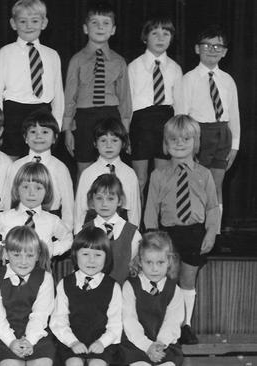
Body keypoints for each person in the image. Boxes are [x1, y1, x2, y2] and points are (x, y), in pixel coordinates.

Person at [144, 114, 219, 345]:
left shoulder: (204, 174)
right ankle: (164, 325)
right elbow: (151, 208)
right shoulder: (158, 175)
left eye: (186, 139)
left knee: (188, 280)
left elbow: (213, 207)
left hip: (195, 233)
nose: (179, 143)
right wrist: (152, 237)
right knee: (167, 280)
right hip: (167, 235)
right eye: (173, 139)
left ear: (195, 143)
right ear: (166, 144)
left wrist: (210, 233)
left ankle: (184, 325)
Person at [175, 24, 239, 225]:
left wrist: (235, 145)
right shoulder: (189, 79)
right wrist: (186, 145)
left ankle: (214, 230)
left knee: (216, 184)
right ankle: (196, 226)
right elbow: (181, 115)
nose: (213, 50)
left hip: (222, 133)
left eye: (218, 46)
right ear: (197, 49)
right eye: (207, 45)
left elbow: (234, 115)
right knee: (196, 183)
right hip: (198, 134)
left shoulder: (227, 80)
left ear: (225, 52)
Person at [63, 0, 131, 177]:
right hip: (84, 117)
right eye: (95, 23)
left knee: (110, 167)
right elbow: (69, 97)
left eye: (106, 23)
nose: (100, 27)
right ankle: (83, 205)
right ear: (86, 28)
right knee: (83, 168)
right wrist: (68, 129)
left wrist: (125, 130)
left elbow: (125, 99)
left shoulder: (119, 61)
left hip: (110, 115)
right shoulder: (76, 60)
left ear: (113, 29)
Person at [0, 0, 64, 159]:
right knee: (12, 158)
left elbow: (58, 92)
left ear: (44, 23)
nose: (28, 25)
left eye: (35, 21)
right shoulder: (5, 53)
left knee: (40, 160)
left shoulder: (52, 55)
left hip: (43, 111)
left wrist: (57, 124)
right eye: (22, 21)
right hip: (13, 113)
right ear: (13, 23)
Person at [50, 226, 122, 366]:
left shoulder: (113, 286)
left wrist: (102, 342)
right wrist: (73, 342)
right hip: (71, 341)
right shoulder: (65, 284)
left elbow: (115, 324)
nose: (91, 260)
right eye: (85, 254)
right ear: (75, 255)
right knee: (74, 363)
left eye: (98, 255)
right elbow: (59, 320)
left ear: (106, 256)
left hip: (102, 343)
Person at [127, 17, 182, 200]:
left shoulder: (175, 68)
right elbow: (128, 103)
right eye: (155, 33)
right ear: (145, 38)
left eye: (165, 34)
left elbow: (179, 104)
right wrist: (126, 132)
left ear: (171, 38)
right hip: (140, 124)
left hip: (165, 123)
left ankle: (158, 224)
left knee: (162, 179)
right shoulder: (134, 67)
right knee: (140, 180)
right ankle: (136, 225)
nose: (160, 38)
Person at [0, 226, 55, 366]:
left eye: (29, 255)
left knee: (43, 363)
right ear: (6, 254)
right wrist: (11, 341)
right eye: (16, 255)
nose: (23, 261)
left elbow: (40, 315)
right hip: (3, 335)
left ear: (37, 255)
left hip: (37, 334)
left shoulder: (45, 278)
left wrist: (30, 340)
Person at [120, 231, 184, 366]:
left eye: (160, 262)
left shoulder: (174, 290)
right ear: (140, 262)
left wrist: (160, 344)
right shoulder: (130, 286)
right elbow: (129, 320)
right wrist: (147, 345)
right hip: (135, 344)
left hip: (164, 345)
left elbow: (173, 321)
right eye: (149, 262)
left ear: (169, 262)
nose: (155, 269)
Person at [3, 110, 74, 231]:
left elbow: (68, 206)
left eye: (45, 132)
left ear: (55, 138)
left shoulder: (60, 167)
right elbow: (8, 200)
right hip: (21, 222)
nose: (38, 136)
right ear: (25, 137)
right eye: (33, 132)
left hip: (51, 222)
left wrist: (65, 232)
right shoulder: (16, 166)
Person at [0, 162, 71, 259]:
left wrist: (50, 251)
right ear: (17, 189)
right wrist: (3, 251)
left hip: (41, 270)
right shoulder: (5, 217)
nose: (31, 193)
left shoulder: (52, 220)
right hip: (11, 270)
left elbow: (68, 239)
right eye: (25, 187)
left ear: (47, 191)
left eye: (38, 188)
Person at [73, 118, 141, 233]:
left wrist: (134, 235)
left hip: (122, 228)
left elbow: (134, 209)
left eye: (114, 140)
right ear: (95, 143)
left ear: (123, 143)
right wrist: (78, 235)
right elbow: (80, 209)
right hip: (94, 229)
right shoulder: (88, 173)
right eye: (103, 141)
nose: (108, 146)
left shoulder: (129, 173)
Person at [81, 174, 141, 284]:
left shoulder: (133, 234)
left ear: (120, 201)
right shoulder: (85, 232)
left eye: (110, 198)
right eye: (99, 198)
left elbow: (137, 270)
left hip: (123, 293)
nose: (104, 204)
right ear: (92, 201)